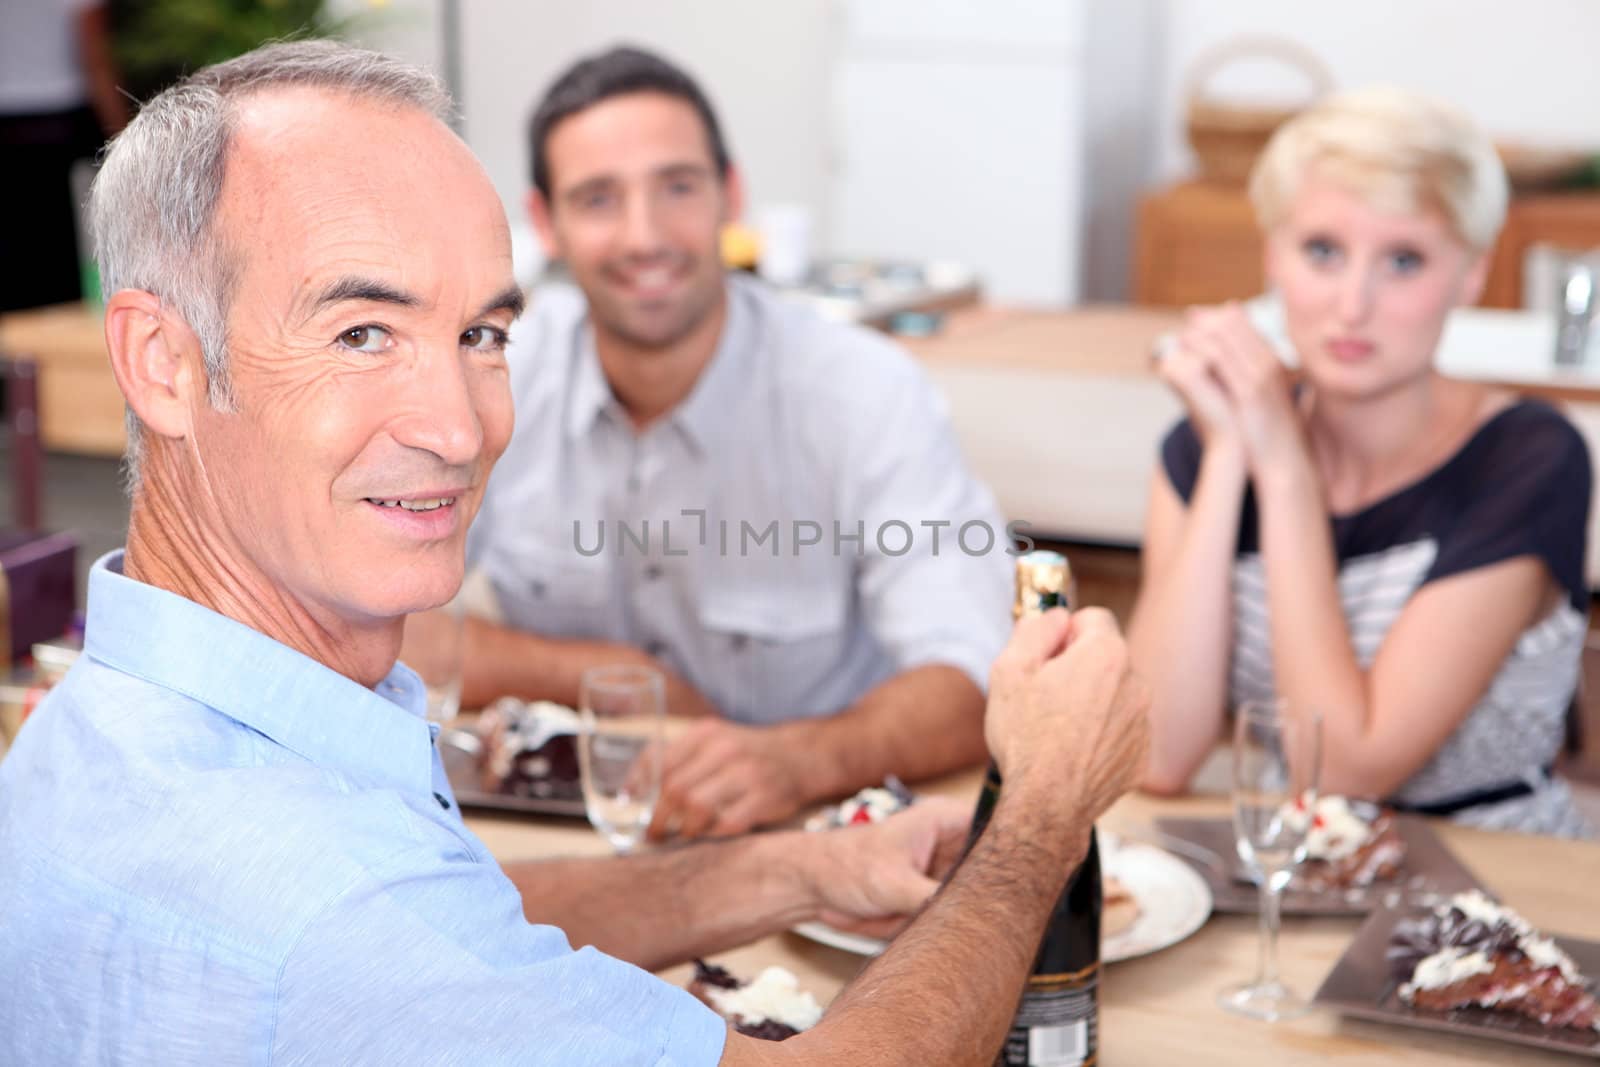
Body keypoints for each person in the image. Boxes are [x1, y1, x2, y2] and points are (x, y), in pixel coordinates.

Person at [0, 42, 1150, 1064]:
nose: (458, 427)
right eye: (362, 332)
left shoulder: (89, 732)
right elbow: (371, 935)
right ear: (161, 362)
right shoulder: (336, 920)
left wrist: (805, 869)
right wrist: (1040, 816)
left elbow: (451, 925)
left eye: (479, 334)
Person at [453, 45, 1013, 842]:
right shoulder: (496, 378)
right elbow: (379, 625)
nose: (644, 236)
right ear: (544, 224)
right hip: (567, 841)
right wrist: (617, 679)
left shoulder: (864, 391)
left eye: (676, 187)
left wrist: (798, 759)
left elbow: (978, 680)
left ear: (732, 195)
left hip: (822, 841)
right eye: (599, 198)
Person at [1130, 86, 1594, 837]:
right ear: (1272, 256)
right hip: (1295, 877)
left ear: (1470, 276)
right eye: (1322, 251)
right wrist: (1228, 453)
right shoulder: (1210, 441)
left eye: (1404, 260)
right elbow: (1156, 755)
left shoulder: (1530, 457)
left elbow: (1347, 768)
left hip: (1507, 889)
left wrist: (1282, 469)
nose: (1352, 304)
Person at [0, 0, 127, 311]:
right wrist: (125, 138)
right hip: (61, 120)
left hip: (12, 120)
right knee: (63, 254)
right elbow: (96, 57)